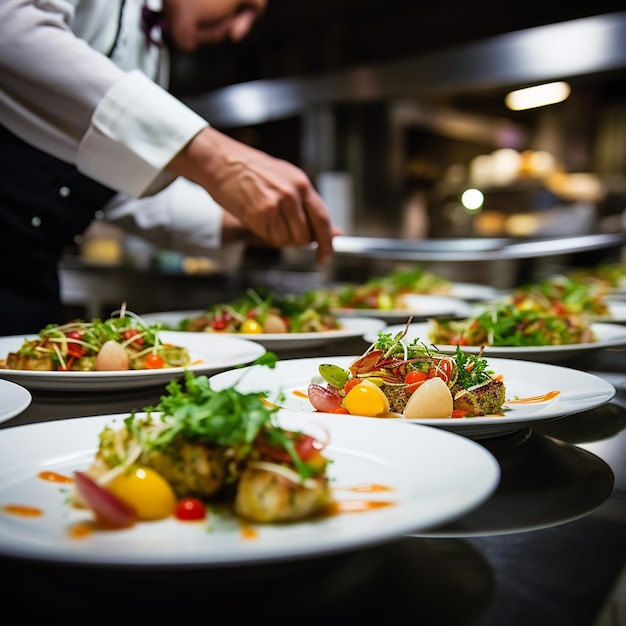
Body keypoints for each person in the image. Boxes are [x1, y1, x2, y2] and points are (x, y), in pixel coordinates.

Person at [0, 0, 337, 335]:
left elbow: (110, 182)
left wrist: (245, 220)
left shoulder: (154, 60)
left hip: (27, 291)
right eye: (242, 6)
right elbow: (11, 25)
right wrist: (217, 159)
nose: (239, 31)